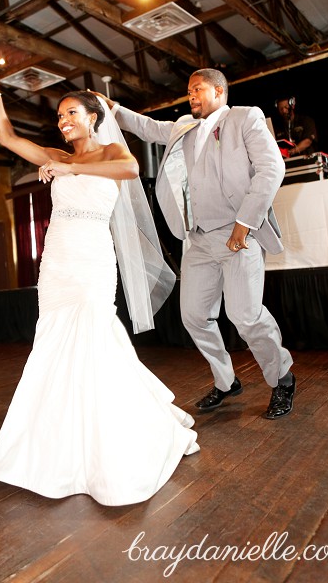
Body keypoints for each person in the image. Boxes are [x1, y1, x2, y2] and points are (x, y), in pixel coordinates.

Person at [0, 60, 198, 505]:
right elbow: (8, 138)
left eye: (71, 113)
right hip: (57, 261)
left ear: (93, 118)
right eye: (59, 117)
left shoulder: (112, 155)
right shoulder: (57, 157)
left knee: (96, 336)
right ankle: (59, 441)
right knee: (55, 341)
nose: (63, 122)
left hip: (93, 259)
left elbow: (132, 171)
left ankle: (117, 437)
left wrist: (73, 171)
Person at [100, 69, 296, 420]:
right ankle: (226, 381)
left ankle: (281, 376)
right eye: (188, 90)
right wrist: (112, 108)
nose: (191, 95)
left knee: (245, 315)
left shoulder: (245, 118)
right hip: (199, 239)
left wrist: (244, 224)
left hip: (240, 236)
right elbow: (147, 127)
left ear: (219, 90)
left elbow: (271, 169)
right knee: (193, 315)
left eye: (197, 89)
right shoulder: (184, 127)